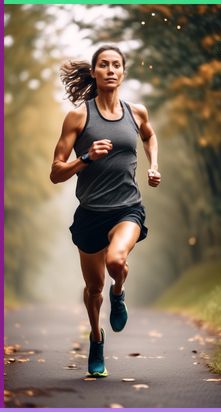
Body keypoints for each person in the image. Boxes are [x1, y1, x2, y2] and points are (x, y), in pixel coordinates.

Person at [50, 45, 161, 377]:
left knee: (116, 261)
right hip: (90, 214)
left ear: (123, 72)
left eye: (116, 65)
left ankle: (120, 291)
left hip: (127, 208)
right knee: (93, 289)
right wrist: (85, 159)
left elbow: (150, 137)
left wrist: (153, 165)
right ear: (94, 72)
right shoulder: (79, 117)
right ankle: (97, 340)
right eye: (104, 65)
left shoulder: (136, 112)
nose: (110, 70)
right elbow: (56, 172)